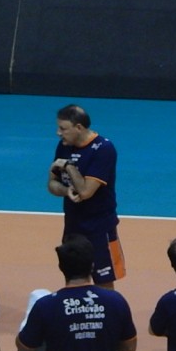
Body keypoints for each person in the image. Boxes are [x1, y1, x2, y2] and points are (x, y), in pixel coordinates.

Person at [47, 104, 124, 289]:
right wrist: (66, 191)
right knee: (73, 278)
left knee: (104, 282)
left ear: (79, 127)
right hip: (73, 225)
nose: (58, 133)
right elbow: (51, 184)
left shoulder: (103, 149)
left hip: (99, 228)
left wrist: (68, 166)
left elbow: (86, 192)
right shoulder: (64, 145)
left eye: (63, 128)